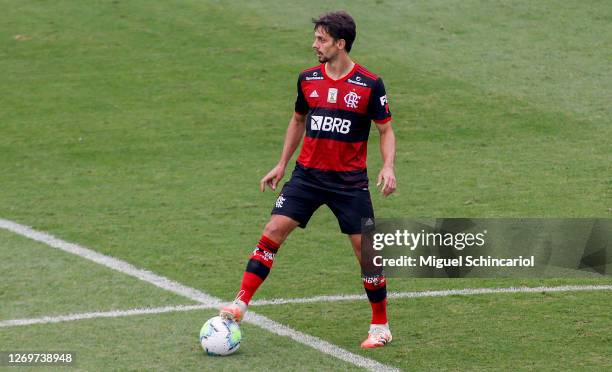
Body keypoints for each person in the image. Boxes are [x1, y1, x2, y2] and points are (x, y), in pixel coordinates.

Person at [220, 10, 397, 348]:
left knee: (368, 256)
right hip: (307, 177)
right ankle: (240, 302)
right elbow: (298, 120)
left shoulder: (369, 85)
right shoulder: (308, 79)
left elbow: (385, 130)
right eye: (316, 38)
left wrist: (388, 166)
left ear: (340, 44)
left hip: (349, 184)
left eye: (321, 39)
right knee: (272, 231)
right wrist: (281, 163)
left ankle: (380, 326)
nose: (314, 44)